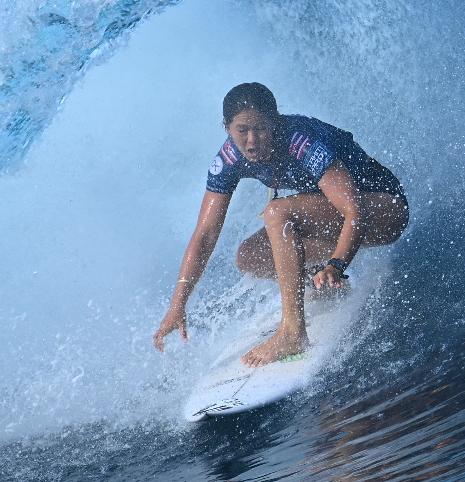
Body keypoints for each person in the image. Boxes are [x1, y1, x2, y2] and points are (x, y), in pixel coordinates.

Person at [152, 83, 409, 366]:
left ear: (274, 122)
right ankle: (322, 286)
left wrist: (337, 264)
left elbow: (354, 211)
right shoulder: (230, 158)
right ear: (226, 127)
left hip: (384, 210)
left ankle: (292, 332)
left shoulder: (302, 142)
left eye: (261, 128)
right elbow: (205, 233)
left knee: (277, 213)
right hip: (340, 218)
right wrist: (178, 304)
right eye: (241, 130)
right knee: (250, 257)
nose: (252, 140)